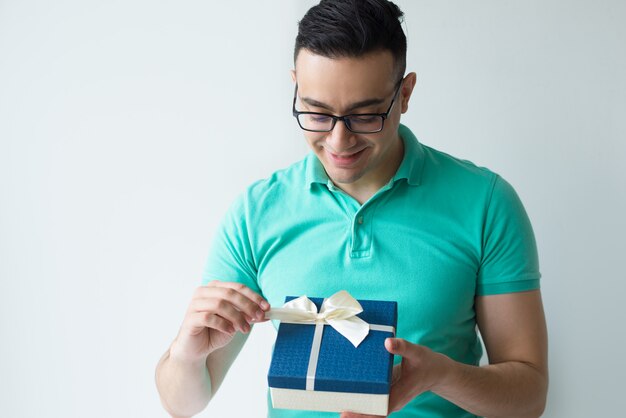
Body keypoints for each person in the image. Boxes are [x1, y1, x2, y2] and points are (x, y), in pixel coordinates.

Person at [155, 0, 548, 417]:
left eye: (365, 115)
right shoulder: (255, 214)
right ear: (295, 88)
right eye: (317, 113)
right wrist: (186, 352)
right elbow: (183, 405)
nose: (339, 142)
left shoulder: (485, 203)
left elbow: (529, 398)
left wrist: (443, 376)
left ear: (406, 93)